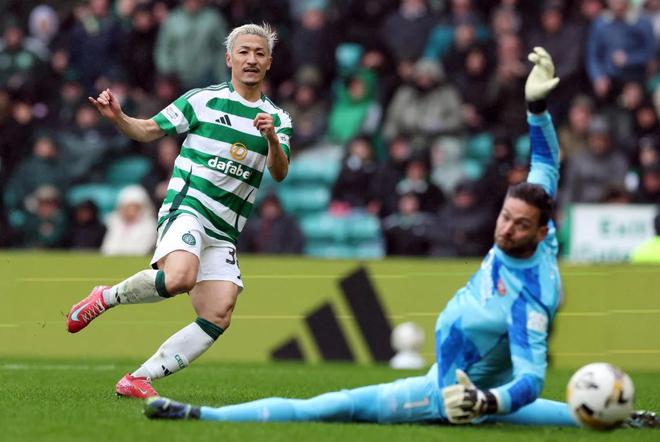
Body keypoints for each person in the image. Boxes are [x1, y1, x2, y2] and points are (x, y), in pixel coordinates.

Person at [143, 48, 592, 427]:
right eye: (506, 217)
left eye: (518, 225)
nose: (506, 228)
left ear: (542, 231)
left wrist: (483, 402)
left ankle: (200, 416)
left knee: (333, 408)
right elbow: (544, 164)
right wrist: (537, 109)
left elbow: (531, 379)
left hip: (448, 398)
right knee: (570, 415)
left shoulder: (534, 292)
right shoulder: (537, 217)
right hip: (450, 384)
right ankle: (612, 414)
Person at [66, 23, 292, 399]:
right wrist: (119, 118)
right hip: (189, 208)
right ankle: (105, 297)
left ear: (269, 62)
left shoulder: (278, 119)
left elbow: (280, 172)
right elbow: (148, 130)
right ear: (229, 58)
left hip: (224, 229)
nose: (251, 59)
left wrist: (270, 138)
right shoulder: (202, 100)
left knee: (218, 313)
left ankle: (138, 379)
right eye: (244, 51)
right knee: (180, 278)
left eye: (259, 53)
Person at [100, 185, 158, 256]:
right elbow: (107, 248)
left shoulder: (150, 225)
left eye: (135, 207)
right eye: (128, 207)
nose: (131, 211)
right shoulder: (111, 221)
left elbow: (142, 250)